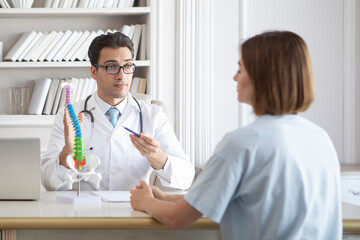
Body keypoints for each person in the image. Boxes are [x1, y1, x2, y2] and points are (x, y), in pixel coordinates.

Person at [130, 31, 342, 239]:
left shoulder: (242, 144)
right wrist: (166, 198)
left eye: (240, 70)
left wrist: (146, 202)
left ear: (262, 78)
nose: (234, 77)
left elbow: (178, 219)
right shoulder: (320, 138)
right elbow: (249, 202)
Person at [41, 32, 195, 191]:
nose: (122, 76)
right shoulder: (69, 116)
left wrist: (157, 156)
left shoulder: (154, 116)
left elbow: (186, 178)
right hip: (84, 213)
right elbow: (48, 182)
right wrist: (68, 153)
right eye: (112, 67)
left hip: (133, 211)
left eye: (127, 66)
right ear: (94, 72)